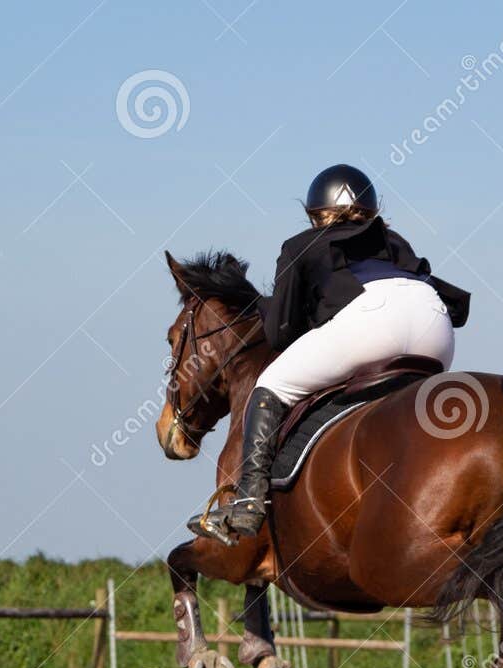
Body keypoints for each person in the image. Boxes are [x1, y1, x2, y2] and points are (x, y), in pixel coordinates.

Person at [194, 164, 471, 540]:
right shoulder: (395, 241)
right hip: (435, 324)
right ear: (373, 211)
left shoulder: (301, 245)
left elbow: (280, 334)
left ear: (314, 214)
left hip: (372, 320)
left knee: (269, 386)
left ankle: (249, 501)